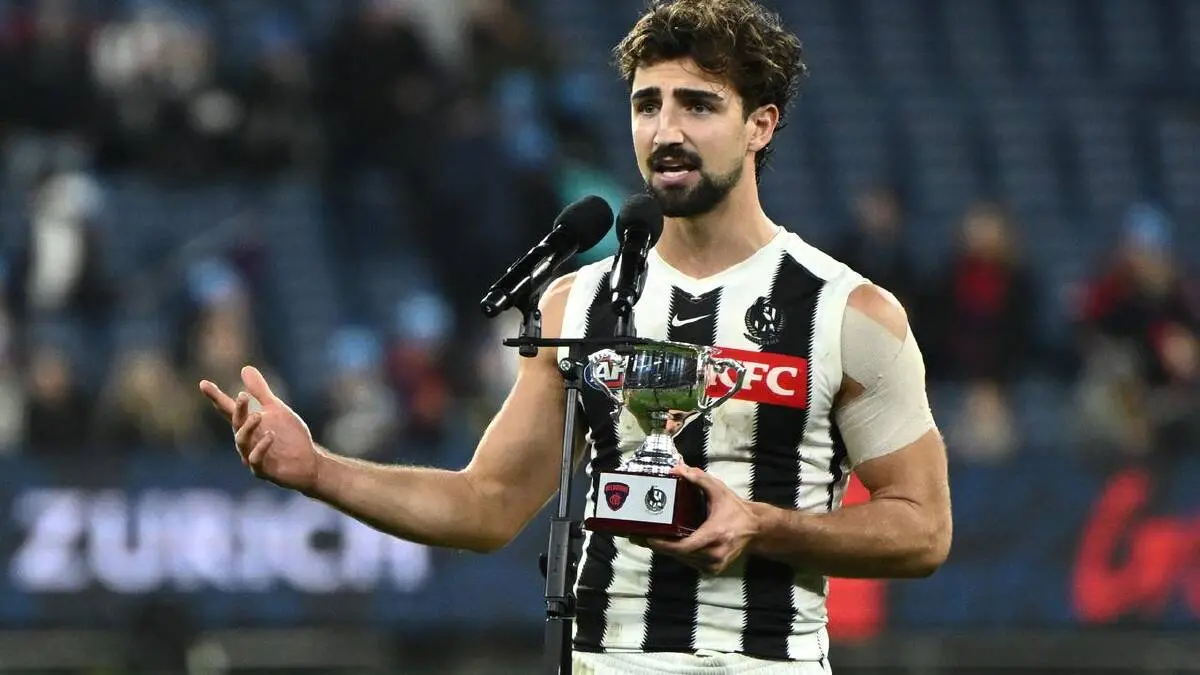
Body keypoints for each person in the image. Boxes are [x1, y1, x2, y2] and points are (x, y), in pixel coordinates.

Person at [199, 1, 952, 673]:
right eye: (647, 105)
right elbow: (487, 504)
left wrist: (762, 524)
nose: (666, 131)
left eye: (698, 105)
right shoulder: (577, 304)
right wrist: (317, 470)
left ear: (761, 123)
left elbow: (924, 530)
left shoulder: (849, 312)